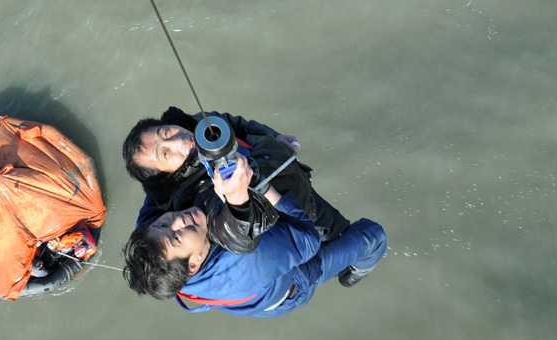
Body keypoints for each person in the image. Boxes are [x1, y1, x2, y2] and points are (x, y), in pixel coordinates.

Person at [122, 161, 387, 318]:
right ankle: (355, 271)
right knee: (372, 234)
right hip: (292, 283)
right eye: (177, 237)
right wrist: (259, 186)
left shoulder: (148, 237)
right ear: (194, 264)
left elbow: (155, 196)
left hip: (251, 285)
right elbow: (307, 240)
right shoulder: (249, 263)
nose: (177, 220)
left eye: (164, 223)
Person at [123, 107, 350, 247]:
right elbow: (233, 233)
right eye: (165, 154)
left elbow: (237, 124)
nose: (178, 141)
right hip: (293, 215)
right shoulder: (195, 195)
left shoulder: (197, 124)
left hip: (295, 176)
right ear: (164, 177)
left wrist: (272, 136)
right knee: (341, 244)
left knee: (339, 227)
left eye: (166, 132)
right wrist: (236, 199)